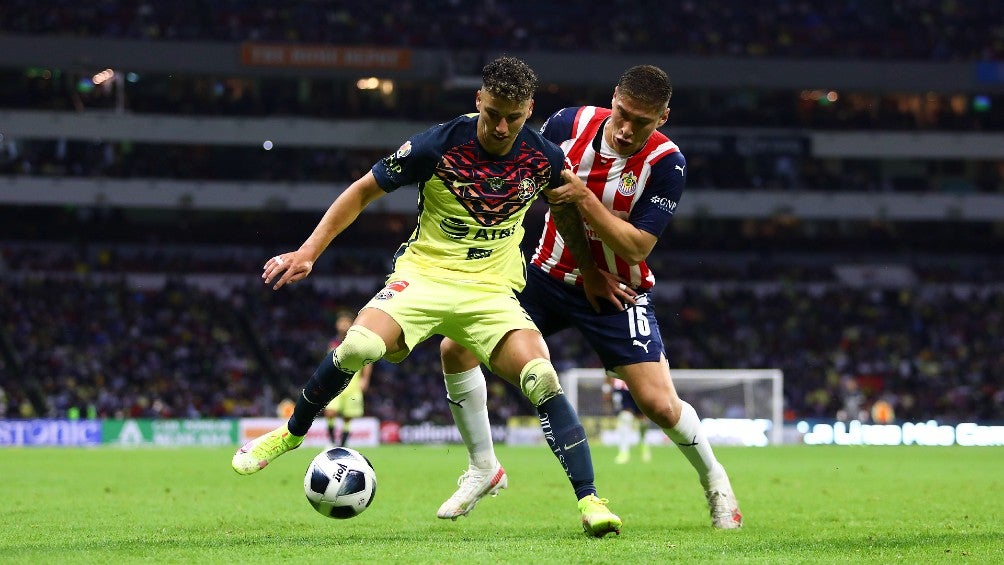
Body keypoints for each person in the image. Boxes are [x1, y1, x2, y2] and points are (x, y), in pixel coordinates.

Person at [231, 56, 622, 537]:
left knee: (541, 377)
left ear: (529, 110)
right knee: (356, 347)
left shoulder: (543, 157)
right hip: (424, 275)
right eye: (492, 112)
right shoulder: (436, 145)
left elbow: (566, 215)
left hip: (490, 289)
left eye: (513, 117)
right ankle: (292, 434)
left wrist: (590, 273)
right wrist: (309, 251)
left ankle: (590, 502)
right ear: (478, 99)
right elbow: (360, 192)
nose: (500, 126)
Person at [439, 64, 744, 529]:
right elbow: (543, 192)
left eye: (641, 122)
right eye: (622, 113)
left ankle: (717, 483)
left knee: (660, 405)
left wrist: (584, 199)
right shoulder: (566, 125)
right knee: (455, 346)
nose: (626, 128)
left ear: (661, 118)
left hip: (621, 294)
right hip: (544, 276)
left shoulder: (667, 163)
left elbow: (637, 246)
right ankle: (483, 467)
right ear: (613, 98)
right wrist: (585, 267)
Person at [323, 310, 372, 447]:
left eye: (346, 322)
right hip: (334, 384)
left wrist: (365, 379)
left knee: (348, 416)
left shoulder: (358, 341)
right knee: (330, 412)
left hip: (353, 384)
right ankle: (332, 440)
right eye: (341, 322)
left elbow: (367, 361)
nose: (343, 325)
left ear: (352, 325)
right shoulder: (332, 342)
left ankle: (342, 443)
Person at [604, 373, 653, 464]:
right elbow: (608, 369)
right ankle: (624, 452)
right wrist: (606, 389)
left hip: (638, 385)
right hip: (621, 388)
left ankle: (643, 443)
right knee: (625, 417)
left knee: (643, 420)